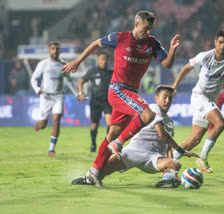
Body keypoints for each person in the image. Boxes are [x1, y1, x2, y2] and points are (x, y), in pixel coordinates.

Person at [62, 11, 180, 187]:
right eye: (145, 28)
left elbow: (167, 64)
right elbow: (95, 44)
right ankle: (119, 144)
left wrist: (172, 49)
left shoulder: (152, 43)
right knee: (148, 115)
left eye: (150, 29)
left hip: (130, 93)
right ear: (136, 24)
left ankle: (92, 174)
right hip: (118, 90)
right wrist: (77, 61)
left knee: (112, 133)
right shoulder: (120, 38)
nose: (147, 32)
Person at [71, 85, 199, 188]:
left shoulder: (169, 122)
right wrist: (181, 150)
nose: (167, 101)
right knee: (102, 170)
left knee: (175, 164)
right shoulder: (153, 108)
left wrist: (172, 172)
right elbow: (161, 133)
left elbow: (167, 147)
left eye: (170, 98)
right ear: (156, 99)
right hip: (133, 152)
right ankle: (88, 178)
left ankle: (168, 181)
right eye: (164, 97)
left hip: (154, 158)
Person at [171, 29, 224, 173]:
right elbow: (187, 67)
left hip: (209, 99)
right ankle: (203, 157)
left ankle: (170, 161)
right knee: (220, 123)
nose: (223, 46)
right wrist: (174, 86)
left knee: (194, 140)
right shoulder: (205, 56)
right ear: (215, 42)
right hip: (199, 96)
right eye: (220, 42)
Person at [30, 41, 78, 156]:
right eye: (53, 48)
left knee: (56, 119)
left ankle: (51, 149)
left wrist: (77, 94)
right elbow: (33, 79)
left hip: (58, 96)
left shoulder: (63, 64)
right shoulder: (43, 64)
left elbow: (69, 81)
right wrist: (38, 90)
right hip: (46, 96)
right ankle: (39, 124)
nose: (55, 51)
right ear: (49, 51)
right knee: (43, 125)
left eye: (57, 49)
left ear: (60, 51)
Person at [77, 51, 113, 152]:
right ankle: (93, 143)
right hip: (95, 102)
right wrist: (81, 93)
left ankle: (108, 144)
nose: (104, 61)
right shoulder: (92, 71)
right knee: (94, 124)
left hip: (107, 102)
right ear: (98, 60)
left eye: (106, 60)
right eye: (102, 59)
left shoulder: (111, 73)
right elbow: (81, 82)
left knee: (110, 123)